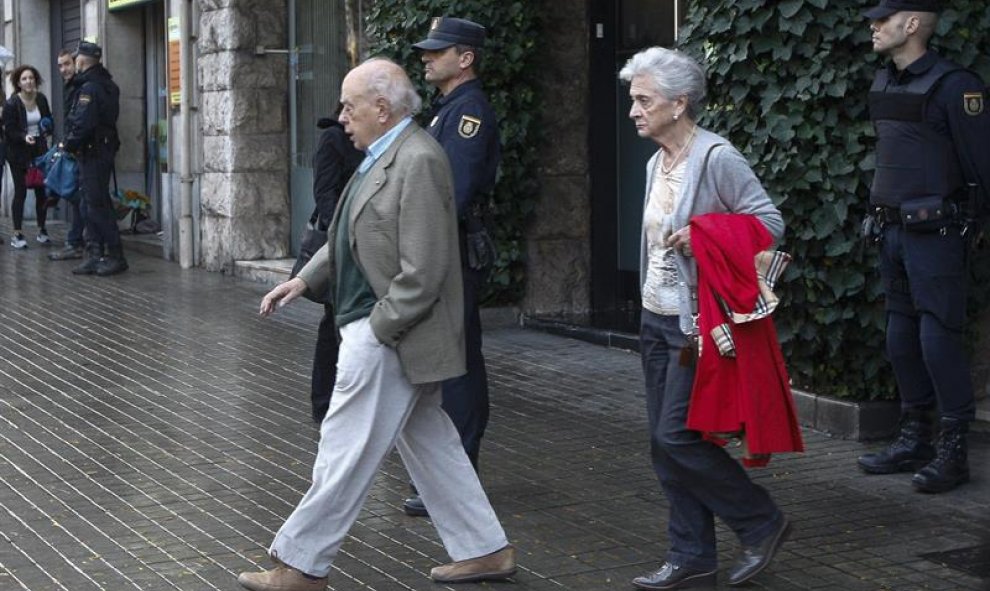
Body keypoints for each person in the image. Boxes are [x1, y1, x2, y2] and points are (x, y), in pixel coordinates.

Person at [237, 58, 515, 591]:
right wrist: (305, 279)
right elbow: (351, 229)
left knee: (343, 447)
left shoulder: (419, 159)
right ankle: (486, 550)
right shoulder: (382, 154)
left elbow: (426, 267)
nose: (342, 117)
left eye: (349, 106)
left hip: (390, 333)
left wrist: (379, 330)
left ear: (382, 110)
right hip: (382, 329)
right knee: (431, 442)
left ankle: (300, 565)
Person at [619, 47, 791, 590]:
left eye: (644, 100)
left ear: (679, 102)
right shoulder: (654, 162)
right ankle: (691, 557)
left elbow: (769, 223)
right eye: (632, 100)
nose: (634, 111)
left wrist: (706, 233)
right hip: (655, 318)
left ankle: (761, 521)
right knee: (663, 445)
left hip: (699, 328)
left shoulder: (716, 157)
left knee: (678, 439)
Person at [856, 0, 990, 494]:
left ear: (912, 25)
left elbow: (982, 163)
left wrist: (975, 224)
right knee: (900, 335)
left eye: (883, 19)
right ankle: (915, 436)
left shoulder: (956, 86)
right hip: (890, 229)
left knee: (938, 336)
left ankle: (953, 451)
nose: (873, 26)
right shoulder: (884, 82)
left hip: (937, 233)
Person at [403, 15, 500, 517]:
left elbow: (452, 195)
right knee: (450, 362)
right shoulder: (448, 109)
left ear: (465, 58)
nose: (426, 58)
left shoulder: (469, 114)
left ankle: (459, 475)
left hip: (454, 250)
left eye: (437, 51)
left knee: (459, 365)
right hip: (444, 249)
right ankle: (448, 476)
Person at [306, 111, 363, 423]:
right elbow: (324, 192)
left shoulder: (375, 140)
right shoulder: (334, 136)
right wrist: (340, 237)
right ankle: (323, 402)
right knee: (333, 324)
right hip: (341, 246)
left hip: (364, 246)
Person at [64, 41, 127, 276]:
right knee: (92, 204)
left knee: (97, 205)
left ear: (81, 61)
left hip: (93, 151)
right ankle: (96, 253)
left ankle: (114, 254)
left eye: (76, 58)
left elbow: (82, 122)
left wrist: (69, 145)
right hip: (100, 150)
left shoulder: (90, 88)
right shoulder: (107, 84)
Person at [3, 64, 53, 249]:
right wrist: (24, 137)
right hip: (17, 153)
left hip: (39, 151)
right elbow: (9, 130)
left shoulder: (41, 99)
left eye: (31, 78)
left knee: (41, 191)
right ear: (18, 82)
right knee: (21, 191)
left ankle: (42, 230)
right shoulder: (12, 103)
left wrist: (47, 127)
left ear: (36, 80)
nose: (28, 81)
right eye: (24, 79)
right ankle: (17, 233)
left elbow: (48, 119)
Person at [48, 48, 86, 262]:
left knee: (78, 196)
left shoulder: (81, 86)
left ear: (76, 63)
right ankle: (77, 240)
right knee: (74, 196)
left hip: (81, 150)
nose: (63, 69)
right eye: (60, 65)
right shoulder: (69, 86)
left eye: (66, 64)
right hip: (73, 148)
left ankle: (78, 242)